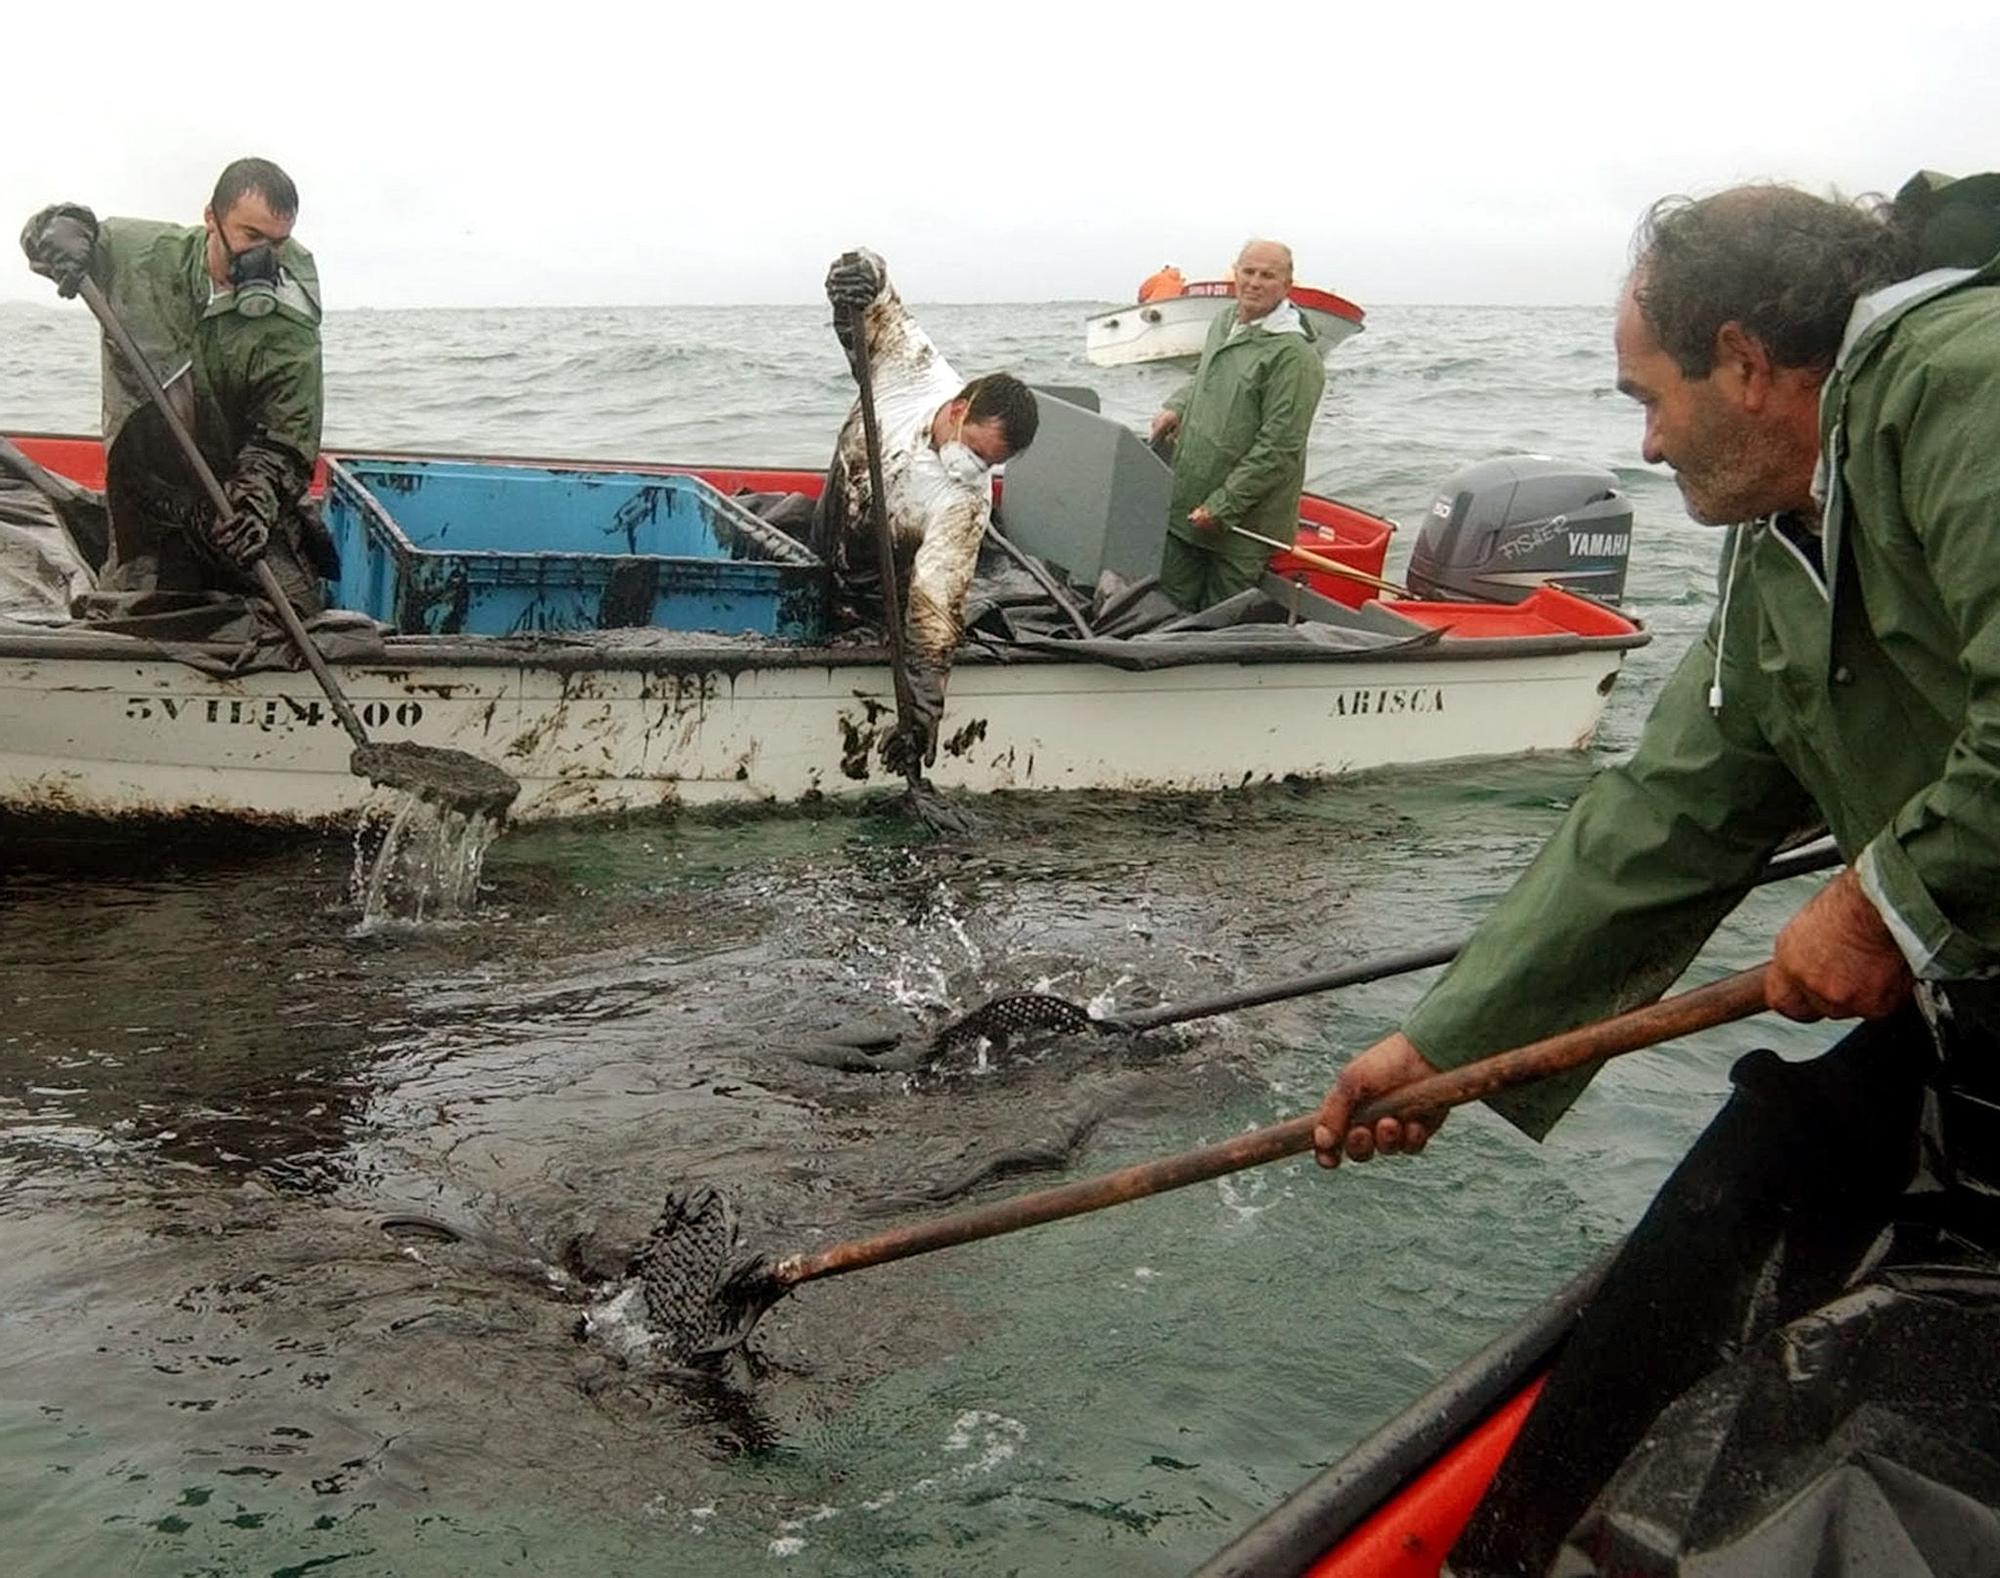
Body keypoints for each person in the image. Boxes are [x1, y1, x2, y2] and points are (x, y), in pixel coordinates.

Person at [1310, 176, 2000, 1574]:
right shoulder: (1773, 553)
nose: (1643, 439)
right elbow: (1665, 820)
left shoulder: (1965, 381)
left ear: (1746, 362)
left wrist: (1882, 897)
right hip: (1966, 1037)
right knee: (1714, 1226)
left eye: (1648, 395)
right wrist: (1449, 1048)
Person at [20, 156, 333, 616]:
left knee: (296, 610)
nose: (261, 257)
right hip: (150, 498)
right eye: (250, 237)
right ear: (212, 219)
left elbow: (285, 434)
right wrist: (60, 233)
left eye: (277, 243)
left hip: (237, 494)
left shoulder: (291, 322)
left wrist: (253, 508)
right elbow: (52, 231)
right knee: (136, 614)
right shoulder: (140, 255)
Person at [817, 249, 1039, 774]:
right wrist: (860, 274)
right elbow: (879, 303)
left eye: (994, 465)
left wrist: (921, 716)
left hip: (876, 590)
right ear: (959, 409)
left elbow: (935, 610)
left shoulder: (966, 500)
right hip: (833, 525)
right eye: (978, 452)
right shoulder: (915, 371)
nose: (975, 468)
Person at [1149, 239, 1323, 610]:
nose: (1255, 282)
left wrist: (1223, 506)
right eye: (1248, 272)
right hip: (1187, 506)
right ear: (1235, 274)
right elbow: (1205, 376)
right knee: (1165, 608)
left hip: (1243, 526)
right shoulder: (1224, 321)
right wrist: (1176, 407)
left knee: (1216, 623)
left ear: (1287, 285)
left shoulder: (1294, 357)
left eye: (1267, 275)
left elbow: (1279, 447)